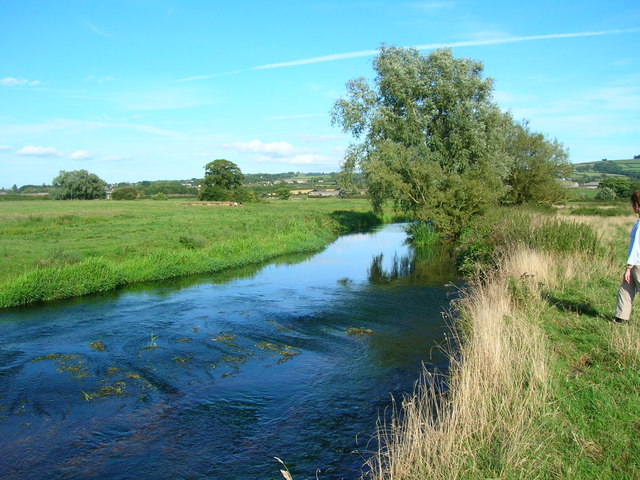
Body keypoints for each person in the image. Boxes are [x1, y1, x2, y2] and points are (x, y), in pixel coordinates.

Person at [615, 190, 640, 323]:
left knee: (627, 286)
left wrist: (629, 268)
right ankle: (621, 318)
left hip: (637, 264)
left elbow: (637, 247)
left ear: (637, 205)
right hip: (636, 263)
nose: (632, 207)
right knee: (626, 289)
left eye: (633, 204)